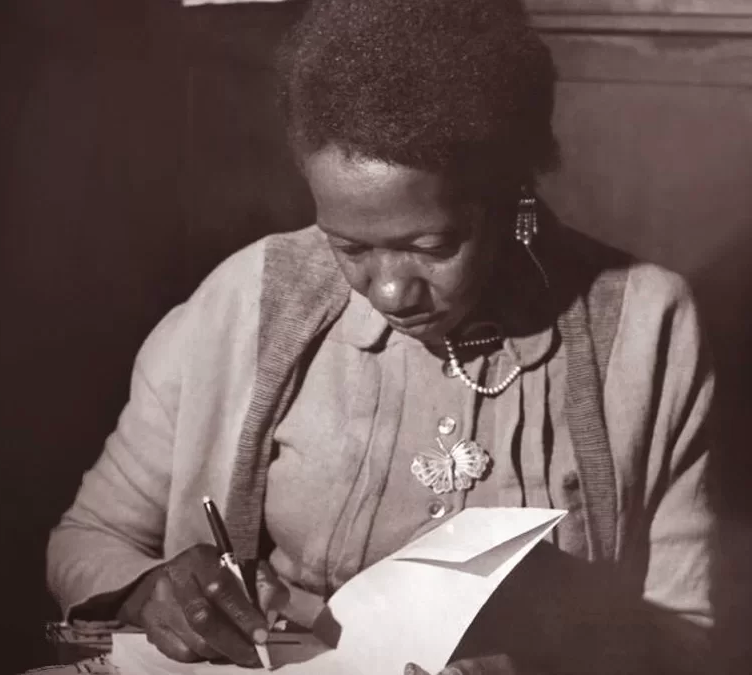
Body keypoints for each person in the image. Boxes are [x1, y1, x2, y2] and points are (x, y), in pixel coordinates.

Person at [46, 0, 715, 673]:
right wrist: (151, 589)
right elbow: (88, 536)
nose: (391, 291)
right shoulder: (245, 300)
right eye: (350, 247)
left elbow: (687, 632)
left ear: (508, 196)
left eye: (431, 246)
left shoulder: (648, 323)